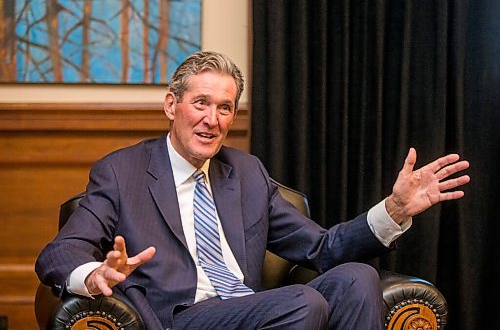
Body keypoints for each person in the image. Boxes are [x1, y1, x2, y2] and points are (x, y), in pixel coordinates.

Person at [35, 51, 470, 330]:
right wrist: (94, 275)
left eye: (225, 107)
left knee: (357, 277)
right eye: (201, 103)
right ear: (172, 105)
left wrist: (393, 210)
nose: (213, 119)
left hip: (251, 309)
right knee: (303, 303)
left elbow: (321, 248)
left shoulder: (245, 172)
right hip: (180, 317)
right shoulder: (121, 171)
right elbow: (59, 252)